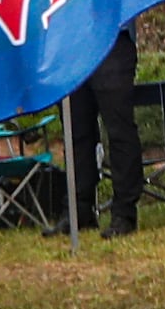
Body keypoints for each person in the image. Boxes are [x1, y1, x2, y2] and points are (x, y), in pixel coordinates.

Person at [60, 18, 146, 237]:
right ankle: (79, 210)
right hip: (72, 44)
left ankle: (124, 212)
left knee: (119, 130)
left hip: (111, 37)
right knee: (76, 130)